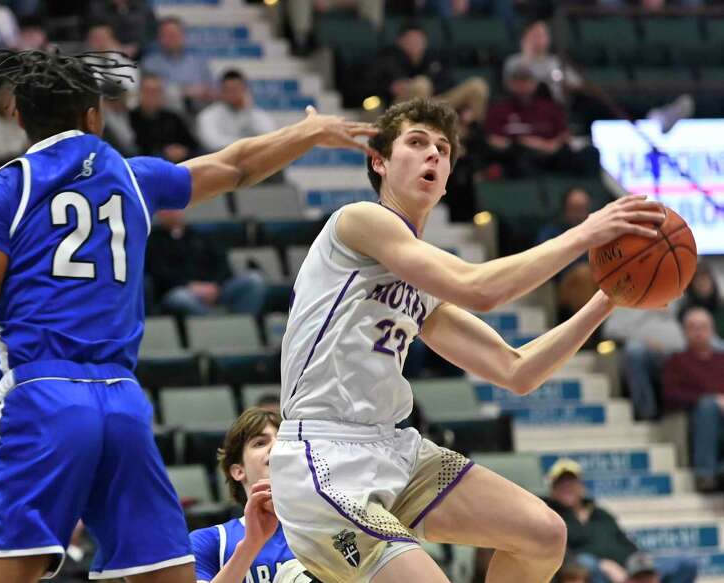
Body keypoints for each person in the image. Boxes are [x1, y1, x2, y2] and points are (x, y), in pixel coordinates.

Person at [0, 49, 374, 583]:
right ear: (95, 115)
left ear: (17, 117)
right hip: (123, 403)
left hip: (44, 396)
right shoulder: (131, 177)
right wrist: (307, 133)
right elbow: (235, 165)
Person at [269, 97, 666, 583]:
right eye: (416, 143)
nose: (432, 154)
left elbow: (516, 370)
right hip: (323, 457)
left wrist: (607, 298)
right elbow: (482, 289)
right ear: (379, 161)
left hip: (393, 448)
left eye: (442, 148)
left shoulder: (422, 280)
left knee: (543, 534)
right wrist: (585, 233)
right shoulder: (359, 222)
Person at [190, 407, 318, 583]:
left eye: (283, 440)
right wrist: (251, 545)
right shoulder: (210, 541)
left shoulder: (329, 528)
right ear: (238, 471)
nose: (277, 446)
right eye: (260, 443)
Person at [545, 459, 697, 583]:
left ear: (581, 486)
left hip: (628, 570)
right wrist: (604, 565)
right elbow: (559, 555)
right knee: (587, 564)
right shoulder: (551, 517)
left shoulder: (600, 513)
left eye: (571, 482)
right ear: (552, 489)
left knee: (685, 564)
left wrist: (642, 568)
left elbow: (625, 542)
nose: (566, 487)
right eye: (560, 484)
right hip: (595, 572)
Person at [485, 59, 597, 178]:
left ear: (535, 83)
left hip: (550, 154)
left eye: (526, 80)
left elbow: (563, 135)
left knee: (587, 155)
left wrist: (548, 145)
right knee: (519, 161)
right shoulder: (498, 109)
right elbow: (493, 139)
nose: (522, 85)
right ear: (510, 83)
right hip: (517, 157)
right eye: (518, 80)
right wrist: (520, 143)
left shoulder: (549, 107)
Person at [146, 209, 267, 317]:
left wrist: (215, 286)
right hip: (180, 291)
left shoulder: (202, 237)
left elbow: (223, 266)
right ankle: (214, 323)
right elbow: (158, 273)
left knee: (254, 281)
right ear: (159, 213)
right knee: (180, 298)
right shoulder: (152, 242)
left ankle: (240, 325)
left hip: (216, 290)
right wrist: (189, 286)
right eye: (167, 208)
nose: (172, 212)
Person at [366, 23, 489, 122]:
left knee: (477, 85)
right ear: (400, 41)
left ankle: (473, 132)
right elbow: (367, 88)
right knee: (421, 84)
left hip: (435, 103)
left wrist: (463, 108)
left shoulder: (434, 59)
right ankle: (422, 132)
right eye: (411, 40)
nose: (415, 43)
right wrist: (390, 88)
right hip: (401, 107)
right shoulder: (387, 59)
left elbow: (448, 83)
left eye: (419, 39)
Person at [662, 307, 724, 491]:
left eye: (703, 327)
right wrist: (712, 400)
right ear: (685, 332)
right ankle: (705, 475)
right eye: (693, 327)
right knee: (707, 406)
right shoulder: (676, 361)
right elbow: (670, 395)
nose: (698, 332)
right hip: (698, 422)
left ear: (712, 331)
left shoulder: (722, 359)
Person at [536, 187, 599, 325]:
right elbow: (542, 262)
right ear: (565, 209)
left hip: (596, 279)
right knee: (583, 273)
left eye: (582, 209)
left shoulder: (598, 231)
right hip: (561, 284)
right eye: (575, 209)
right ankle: (590, 332)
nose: (579, 214)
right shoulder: (551, 232)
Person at [142, 17, 215, 113]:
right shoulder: (150, 64)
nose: (172, 39)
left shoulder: (199, 63)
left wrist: (205, 93)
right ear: (159, 38)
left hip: (198, 114)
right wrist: (184, 91)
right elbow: (151, 95)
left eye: (175, 34)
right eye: (167, 35)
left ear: (183, 36)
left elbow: (214, 92)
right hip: (164, 116)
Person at [197, 70, 278, 153]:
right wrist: (247, 144)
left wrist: (247, 110)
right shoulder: (208, 115)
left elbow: (269, 137)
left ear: (245, 90)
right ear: (221, 91)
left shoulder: (255, 114)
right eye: (228, 90)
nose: (233, 94)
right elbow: (212, 143)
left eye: (236, 89)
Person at [130, 73, 198, 163]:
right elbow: (133, 148)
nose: (152, 95)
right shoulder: (130, 117)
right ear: (139, 93)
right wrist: (163, 152)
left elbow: (193, 145)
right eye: (148, 91)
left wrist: (183, 151)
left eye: (157, 91)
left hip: (177, 165)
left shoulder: (173, 117)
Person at [679, 261, 724, 339]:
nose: (702, 284)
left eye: (705, 280)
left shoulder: (721, 307)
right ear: (691, 285)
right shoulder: (684, 311)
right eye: (698, 281)